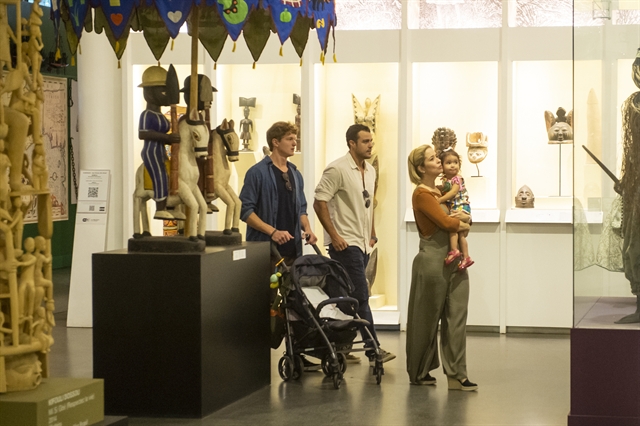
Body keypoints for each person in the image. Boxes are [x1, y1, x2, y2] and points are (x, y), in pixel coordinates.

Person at [239, 121, 319, 370]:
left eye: (295, 139)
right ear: (275, 142)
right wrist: (272, 232)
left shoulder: (295, 173)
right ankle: (255, 361)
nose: (295, 143)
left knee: (296, 304)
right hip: (265, 252)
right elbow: (246, 211)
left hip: (292, 252)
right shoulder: (257, 173)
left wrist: (307, 227)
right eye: (290, 139)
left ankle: (297, 354)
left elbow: (301, 208)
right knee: (267, 305)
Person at [313, 123, 395, 366]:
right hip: (345, 244)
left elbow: (367, 204)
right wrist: (334, 236)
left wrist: (371, 232)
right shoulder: (336, 169)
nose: (370, 145)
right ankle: (373, 348)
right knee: (360, 295)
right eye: (365, 141)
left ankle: (339, 347)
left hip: (363, 243)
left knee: (346, 297)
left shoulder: (370, 170)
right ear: (352, 143)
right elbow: (320, 202)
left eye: (371, 141)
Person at [406, 144, 476, 390]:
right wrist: (462, 221)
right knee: (425, 320)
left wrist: (462, 219)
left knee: (457, 317)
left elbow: (462, 214)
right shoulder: (422, 194)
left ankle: (457, 374)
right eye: (432, 158)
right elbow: (447, 222)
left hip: (454, 259)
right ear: (420, 167)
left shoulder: (439, 190)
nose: (439, 161)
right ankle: (419, 371)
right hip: (433, 261)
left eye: (437, 157)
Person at [138, 65, 180, 220]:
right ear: (149, 92)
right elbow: (143, 133)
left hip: (161, 150)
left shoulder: (160, 115)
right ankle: (160, 207)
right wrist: (167, 139)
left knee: (171, 174)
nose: (167, 94)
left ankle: (171, 204)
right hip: (151, 151)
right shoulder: (147, 114)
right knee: (160, 175)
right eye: (163, 91)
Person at [438, 148, 474, 270]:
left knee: (453, 228)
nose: (453, 165)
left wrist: (440, 200)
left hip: (460, 206)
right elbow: (443, 188)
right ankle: (466, 257)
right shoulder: (446, 180)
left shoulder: (456, 179)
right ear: (442, 165)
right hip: (457, 206)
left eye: (455, 162)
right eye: (448, 163)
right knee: (461, 235)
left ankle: (454, 251)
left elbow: (453, 193)